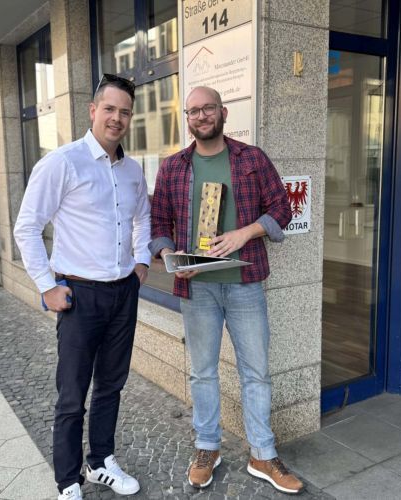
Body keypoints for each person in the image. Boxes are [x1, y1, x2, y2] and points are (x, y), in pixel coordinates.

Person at [149, 86, 304, 495]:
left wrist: (245, 233)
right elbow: (158, 224)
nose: (201, 116)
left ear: (223, 112)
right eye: (193, 111)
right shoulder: (173, 168)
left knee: (256, 373)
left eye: (208, 108)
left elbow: (282, 209)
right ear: (187, 118)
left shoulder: (252, 159)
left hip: (245, 285)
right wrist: (169, 256)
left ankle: (262, 454)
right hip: (197, 289)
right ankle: (207, 447)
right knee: (202, 373)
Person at [14, 74, 151, 500]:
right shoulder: (63, 163)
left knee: (111, 384)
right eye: (109, 109)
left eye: (124, 112)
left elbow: (143, 217)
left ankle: (101, 462)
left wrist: (142, 260)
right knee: (72, 394)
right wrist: (46, 286)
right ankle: (68, 481)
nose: (116, 118)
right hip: (79, 296)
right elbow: (26, 226)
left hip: (122, 293)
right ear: (92, 110)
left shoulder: (132, 170)